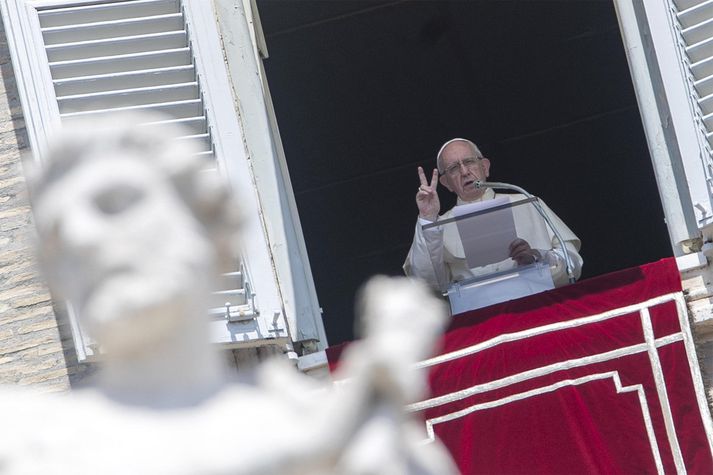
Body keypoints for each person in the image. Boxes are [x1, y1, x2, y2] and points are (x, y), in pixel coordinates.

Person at [404, 138, 583, 292]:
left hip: (536, 304)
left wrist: (536, 258)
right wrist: (427, 218)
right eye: (453, 168)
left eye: (469, 162)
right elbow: (427, 284)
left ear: (485, 167)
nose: (465, 172)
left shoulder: (527, 201)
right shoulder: (438, 226)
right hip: (479, 318)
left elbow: (572, 263)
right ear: (446, 183)